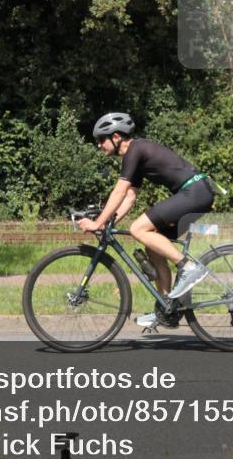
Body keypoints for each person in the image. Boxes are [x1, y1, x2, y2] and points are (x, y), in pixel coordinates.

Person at [77, 112, 214, 329]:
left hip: (194, 191)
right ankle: (166, 308)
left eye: (101, 140)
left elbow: (120, 191)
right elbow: (130, 196)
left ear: (116, 136)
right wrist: (109, 222)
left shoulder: (135, 150)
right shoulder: (135, 155)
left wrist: (97, 223)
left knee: (137, 228)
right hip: (196, 191)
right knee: (152, 247)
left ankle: (188, 267)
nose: (99, 145)